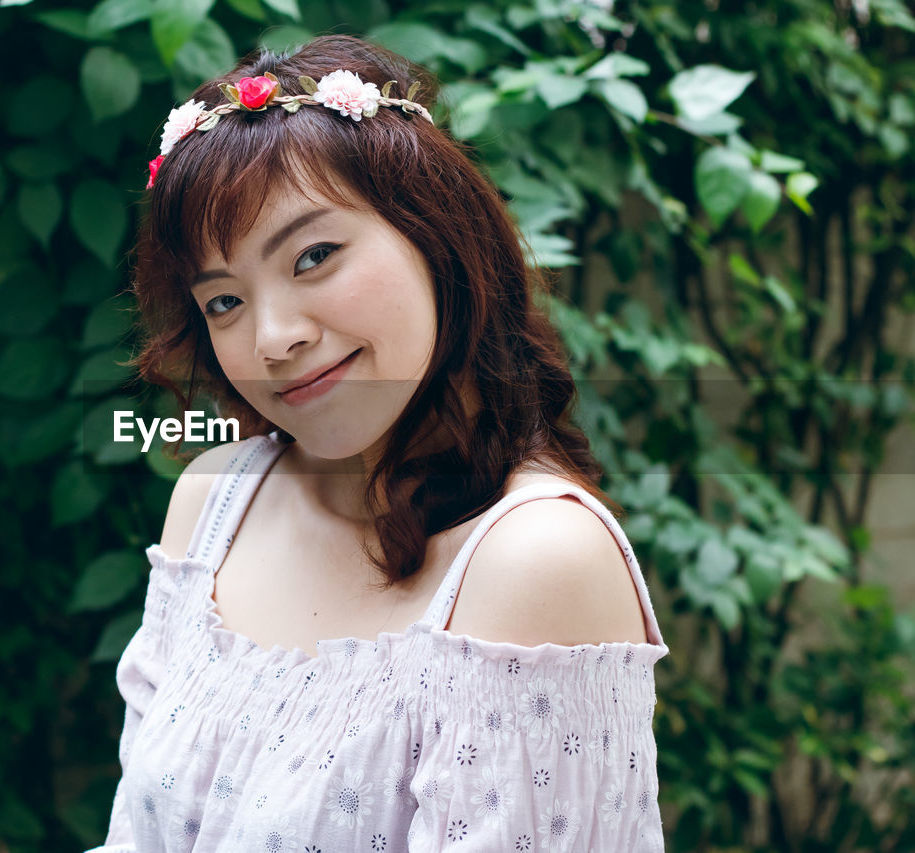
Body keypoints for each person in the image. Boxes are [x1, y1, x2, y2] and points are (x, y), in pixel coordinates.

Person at [89, 33, 670, 852]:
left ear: (438, 235)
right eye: (223, 302)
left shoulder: (534, 560)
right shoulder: (213, 503)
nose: (272, 339)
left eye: (314, 255)